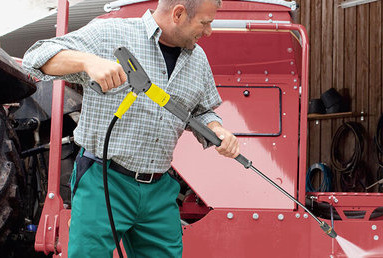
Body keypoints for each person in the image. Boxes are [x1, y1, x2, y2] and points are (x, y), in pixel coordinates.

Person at [20, 0, 236, 257]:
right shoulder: (109, 34)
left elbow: (202, 111)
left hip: (159, 189)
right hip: (104, 181)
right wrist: (87, 62)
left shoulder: (197, 59)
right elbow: (36, 57)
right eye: (205, 22)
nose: (209, 31)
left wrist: (217, 129)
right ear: (178, 13)